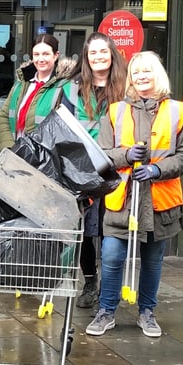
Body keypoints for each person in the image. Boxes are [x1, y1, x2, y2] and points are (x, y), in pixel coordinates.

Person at [86, 50, 183, 338]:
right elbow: (102, 154)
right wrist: (126, 155)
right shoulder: (115, 111)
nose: (141, 77)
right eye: (136, 72)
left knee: (153, 261)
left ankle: (147, 312)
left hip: (159, 202)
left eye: (147, 71)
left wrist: (157, 170)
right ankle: (106, 311)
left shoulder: (178, 111)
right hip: (122, 200)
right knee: (111, 256)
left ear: (158, 75)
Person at [72, 33, 128, 310]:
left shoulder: (126, 87)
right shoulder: (74, 88)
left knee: (110, 229)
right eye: (92, 53)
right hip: (83, 168)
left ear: (112, 54)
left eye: (103, 51)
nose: (98, 57)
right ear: (86, 57)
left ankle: (109, 283)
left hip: (117, 169)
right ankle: (90, 280)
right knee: (84, 230)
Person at [0, 34, 78, 150]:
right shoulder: (20, 83)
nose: (40, 59)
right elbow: (4, 116)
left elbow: (63, 129)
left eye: (46, 54)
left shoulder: (64, 87)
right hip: (13, 154)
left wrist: (34, 154)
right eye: (36, 54)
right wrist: (9, 148)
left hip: (42, 157)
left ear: (56, 55)